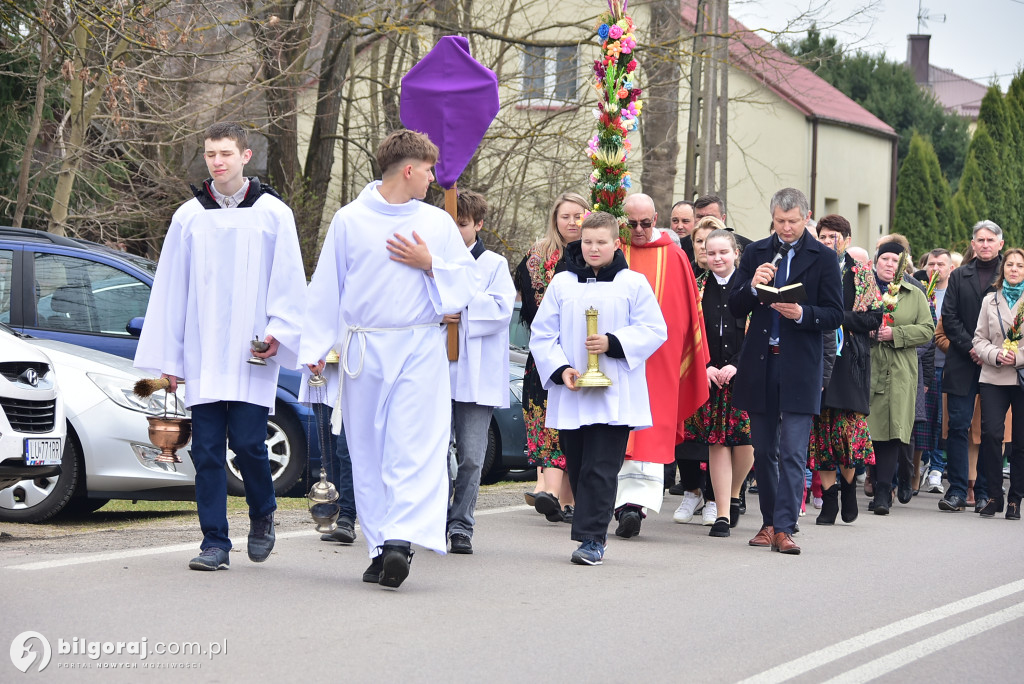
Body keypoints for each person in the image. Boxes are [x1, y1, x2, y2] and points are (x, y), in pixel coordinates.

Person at [299, 129, 478, 589]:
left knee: (413, 446)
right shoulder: (350, 220)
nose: (433, 179)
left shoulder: (436, 223)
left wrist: (430, 263)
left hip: (419, 348)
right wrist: (315, 349)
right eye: (429, 171)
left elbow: (467, 283)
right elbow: (327, 286)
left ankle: (401, 539)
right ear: (409, 169)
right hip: (363, 350)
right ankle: (379, 547)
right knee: (368, 450)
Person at [135, 121, 306, 571]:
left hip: (252, 352)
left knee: (249, 445)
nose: (218, 162)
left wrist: (279, 330)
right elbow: (170, 290)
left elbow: (289, 279)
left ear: (245, 156)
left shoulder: (273, 214)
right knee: (207, 451)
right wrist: (169, 359)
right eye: (211, 154)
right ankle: (214, 541)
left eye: (226, 153)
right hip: (204, 353)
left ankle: (262, 514)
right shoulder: (189, 217)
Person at [529, 211, 667, 565]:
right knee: (578, 466)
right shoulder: (562, 284)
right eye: (587, 242)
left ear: (616, 244)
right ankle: (589, 531)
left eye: (601, 242)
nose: (593, 248)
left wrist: (613, 343)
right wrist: (561, 369)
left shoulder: (633, 283)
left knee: (601, 468)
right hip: (573, 392)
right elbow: (542, 333)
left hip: (614, 394)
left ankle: (592, 540)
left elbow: (654, 330)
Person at [728, 187, 843, 555]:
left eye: (793, 221)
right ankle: (769, 523)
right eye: (780, 221)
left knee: (793, 451)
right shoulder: (756, 252)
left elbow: (835, 314)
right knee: (763, 451)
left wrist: (803, 313)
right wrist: (752, 285)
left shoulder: (824, 257)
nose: (787, 228)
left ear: (806, 217)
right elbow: (735, 305)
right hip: (761, 362)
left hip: (800, 365)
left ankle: (785, 527)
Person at [614, 193, 709, 538]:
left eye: (645, 223)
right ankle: (613, 502)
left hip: (659, 361)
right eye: (632, 224)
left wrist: (680, 353)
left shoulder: (674, 255)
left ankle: (634, 507)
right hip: (614, 356)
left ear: (656, 219)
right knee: (615, 426)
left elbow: (685, 312)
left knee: (650, 427)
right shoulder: (612, 249)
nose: (639, 230)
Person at [445, 190, 515, 554]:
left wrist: (463, 304)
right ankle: (433, 518)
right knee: (435, 455)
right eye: (450, 224)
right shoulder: (433, 262)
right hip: (438, 372)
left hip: (476, 375)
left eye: (462, 224)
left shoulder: (494, 265)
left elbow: (501, 311)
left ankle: (461, 525)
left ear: (479, 224)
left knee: (471, 457)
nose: (456, 231)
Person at [514, 193, 588, 523]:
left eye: (578, 216)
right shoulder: (538, 256)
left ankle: (569, 500)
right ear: (555, 219)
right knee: (549, 425)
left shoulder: (595, 251)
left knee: (577, 425)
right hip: (546, 355)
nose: (572, 222)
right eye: (565, 216)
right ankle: (552, 493)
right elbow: (535, 309)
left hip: (585, 352)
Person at [811, 215, 882, 525]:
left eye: (834, 237)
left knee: (846, 432)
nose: (828, 242)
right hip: (817, 356)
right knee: (821, 432)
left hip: (850, 359)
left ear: (847, 240)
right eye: (823, 236)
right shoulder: (811, 268)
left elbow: (874, 318)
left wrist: (837, 317)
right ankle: (829, 500)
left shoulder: (861, 273)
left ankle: (849, 488)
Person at [682, 229, 753, 537]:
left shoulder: (750, 287)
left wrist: (737, 364)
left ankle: (735, 492)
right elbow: (689, 333)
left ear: (736, 253)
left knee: (746, 442)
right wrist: (706, 366)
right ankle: (722, 513)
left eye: (723, 252)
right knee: (717, 442)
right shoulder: (697, 287)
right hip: (709, 376)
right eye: (711, 253)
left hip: (745, 374)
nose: (717, 258)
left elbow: (758, 332)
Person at [940, 221, 1004, 513]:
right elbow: (949, 317)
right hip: (962, 361)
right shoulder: (959, 275)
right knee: (958, 426)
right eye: (980, 240)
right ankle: (956, 490)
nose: (985, 244)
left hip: (997, 364)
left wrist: (988, 352)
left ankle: (984, 492)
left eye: (990, 240)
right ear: (973, 244)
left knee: (991, 430)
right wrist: (973, 348)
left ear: (1000, 244)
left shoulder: (1009, 274)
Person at [867, 242, 935, 514]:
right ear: (876, 261)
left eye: (895, 260)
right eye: (884, 258)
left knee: (893, 430)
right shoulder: (865, 289)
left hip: (899, 370)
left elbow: (927, 330)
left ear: (902, 267)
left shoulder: (914, 293)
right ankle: (874, 481)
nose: (889, 264)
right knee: (870, 430)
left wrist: (896, 334)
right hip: (869, 366)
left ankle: (884, 490)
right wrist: (867, 329)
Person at [672, 215, 724, 527]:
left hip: (723, 368)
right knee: (687, 432)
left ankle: (715, 499)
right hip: (691, 365)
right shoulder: (687, 276)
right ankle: (691, 491)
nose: (705, 248)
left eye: (710, 241)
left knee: (718, 438)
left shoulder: (730, 280)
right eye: (699, 241)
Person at [971, 247, 1024, 520]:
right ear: (1003, 270)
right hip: (993, 375)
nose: (1014, 269)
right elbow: (978, 339)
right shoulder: (990, 300)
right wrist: (995, 354)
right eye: (1010, 265)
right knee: (991, 435)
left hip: (1021, 375)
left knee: (1021, 441)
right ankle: (994, 495)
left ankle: (1015, 499)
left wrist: (1018, 357)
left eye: (1020, 265)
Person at [921, 249, 954, 494]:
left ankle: (937, 467)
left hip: (948, 364)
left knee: (944, 421)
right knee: (927, 418)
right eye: (931, 264)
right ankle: (924, 463)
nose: (935, 268)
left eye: (941, 264)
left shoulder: (954, 293)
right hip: (925, 365)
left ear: (950, 268)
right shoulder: (921, 291)